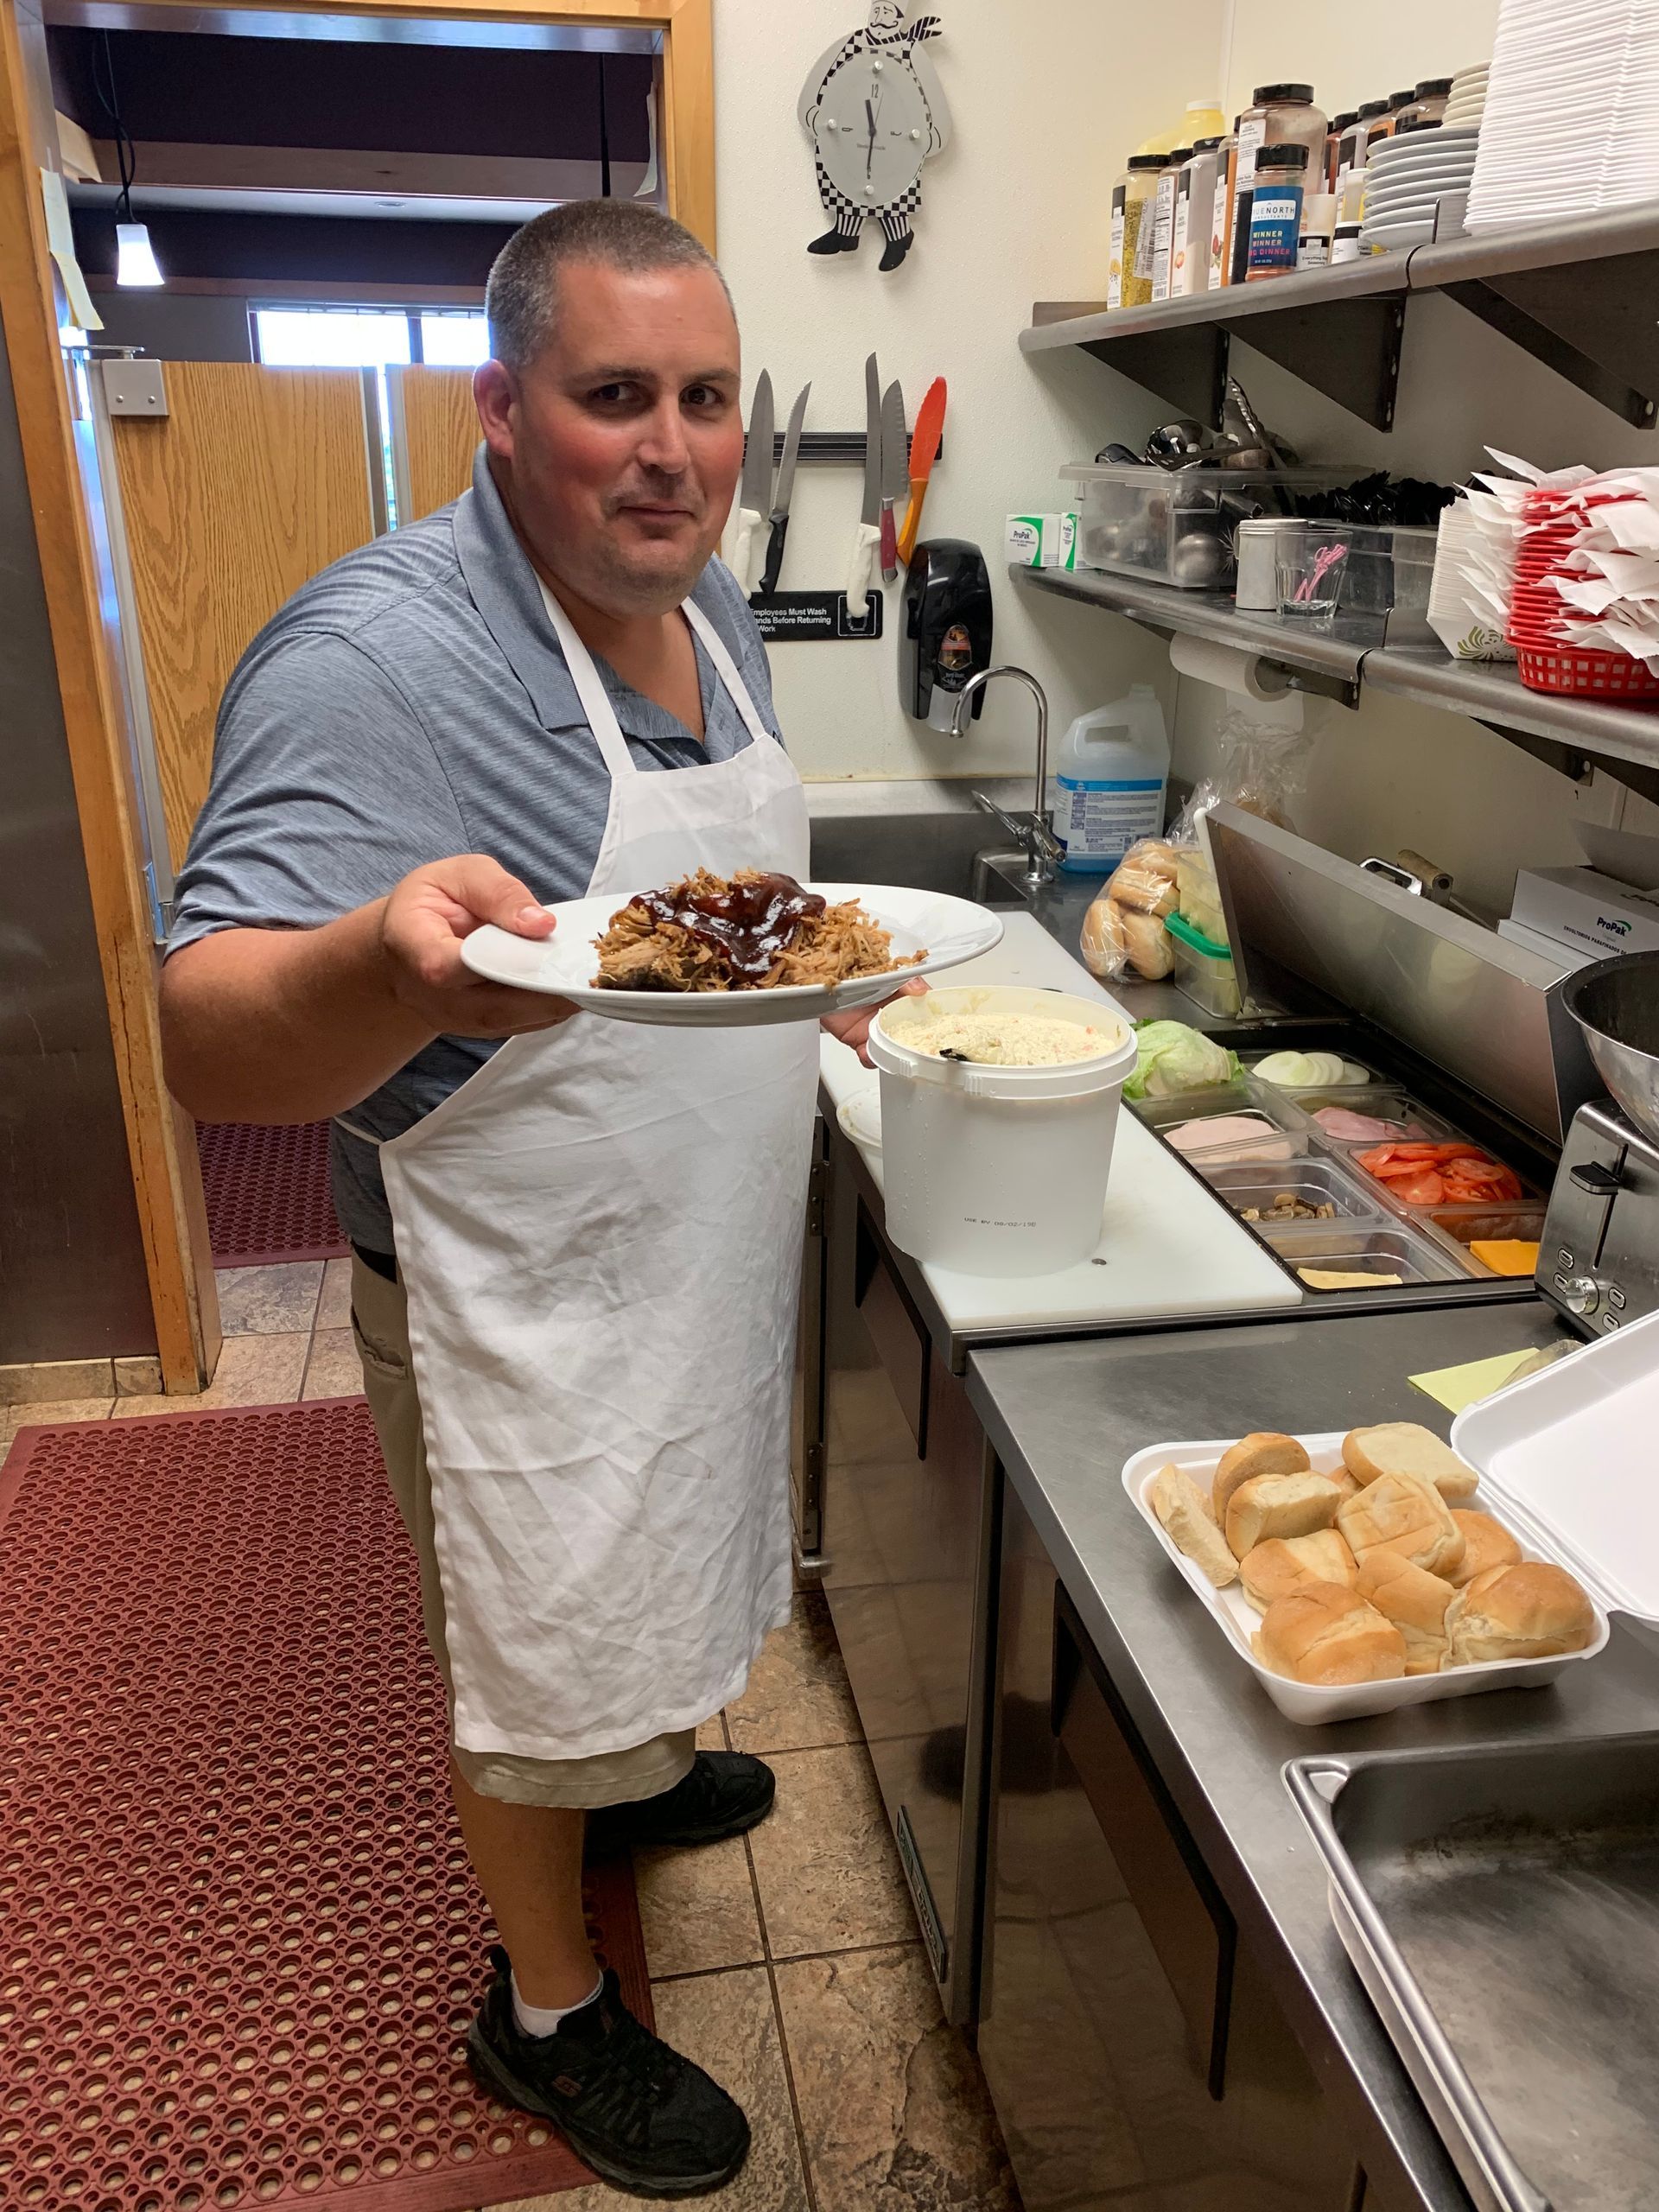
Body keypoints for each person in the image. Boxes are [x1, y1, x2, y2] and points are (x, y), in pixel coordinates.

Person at [160, 200, 900, 2200]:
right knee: (534, 1628)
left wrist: (824, 1004)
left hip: (693, 1237)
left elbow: (717, 925)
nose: (672, 447)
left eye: (708, 397)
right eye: (612, 398)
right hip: (516, 1284)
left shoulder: (709, 602)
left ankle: (639, 1772)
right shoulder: (383, 657)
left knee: (660, 1559)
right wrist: (381, 965)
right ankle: (546, 2005)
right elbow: (204, 1038)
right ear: (499, 409)